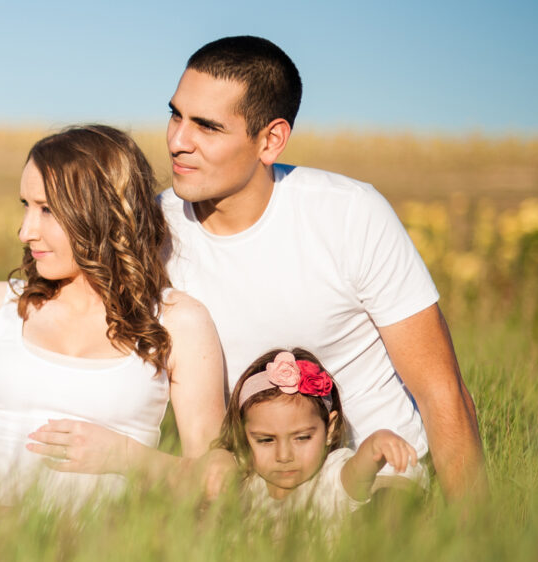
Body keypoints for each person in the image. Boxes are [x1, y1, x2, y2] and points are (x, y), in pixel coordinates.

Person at [31, 36, 485, 502]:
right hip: (250, 488)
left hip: (378, 481)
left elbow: (440, 390)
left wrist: (478, 536)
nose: (177, 141)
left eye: (207, 126)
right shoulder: (150, 231)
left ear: (270, 140)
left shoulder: (351, 214)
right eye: (176, 115)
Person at [0, 125, 225, 510]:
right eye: (25, 205)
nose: (25, 231)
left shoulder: (178, 322)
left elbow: (217, 481)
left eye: (47, 209)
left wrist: (126, 456)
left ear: (104, 210)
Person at [215, 348, 418, 524]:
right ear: (243, 435)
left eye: (302, 438)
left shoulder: (332, 478)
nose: (284, 456)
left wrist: (377, 443)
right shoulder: (246, 482)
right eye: (266, 440)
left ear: (329, 429)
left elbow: (358, 471)